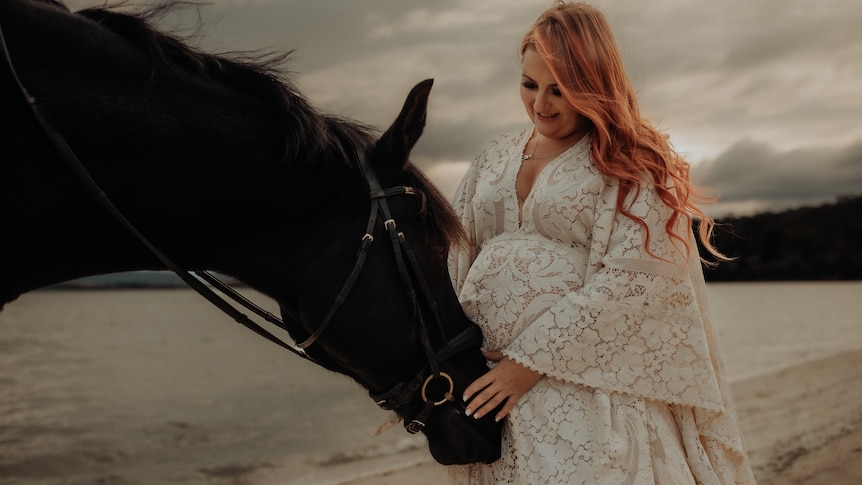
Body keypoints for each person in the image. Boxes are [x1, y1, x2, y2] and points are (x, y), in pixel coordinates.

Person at [447, 2, 755, 483]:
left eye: (560, 90)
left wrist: (528, 363)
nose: (541, 105)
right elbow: (455, 251)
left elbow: (633, 282)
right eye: (529, 85)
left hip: (587, 388)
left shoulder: (631, 163)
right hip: (486, 389)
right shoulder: (493, 154)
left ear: (594, 86)